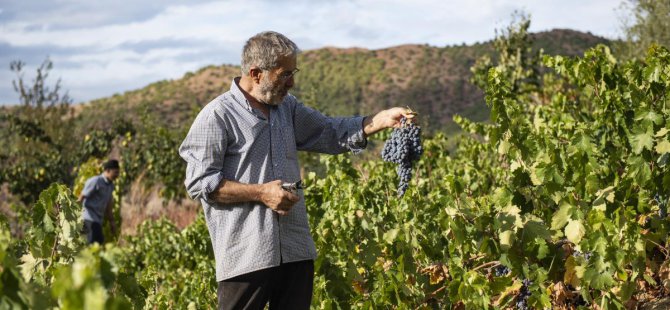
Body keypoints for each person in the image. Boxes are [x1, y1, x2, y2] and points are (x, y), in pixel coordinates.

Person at [179, 31, 416, 310]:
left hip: (294, 248)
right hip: (247, 253)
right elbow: (201, 183)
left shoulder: (286, 108)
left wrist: (378, 120)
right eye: (284, 75)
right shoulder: (218, 116)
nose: (291, 83)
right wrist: (261, 193)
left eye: (294, 73)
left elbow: (328, 132)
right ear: (256, 73)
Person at [78, 159, 119, 244]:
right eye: (115, 172)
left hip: (97, 221)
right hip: (87, 218)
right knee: (92, 246)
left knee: (98, 244)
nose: (117, 175)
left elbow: (108, 205)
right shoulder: (96, 181)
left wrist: (112, 222)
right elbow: (81, 197)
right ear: (108, 171)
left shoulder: (110, 186)